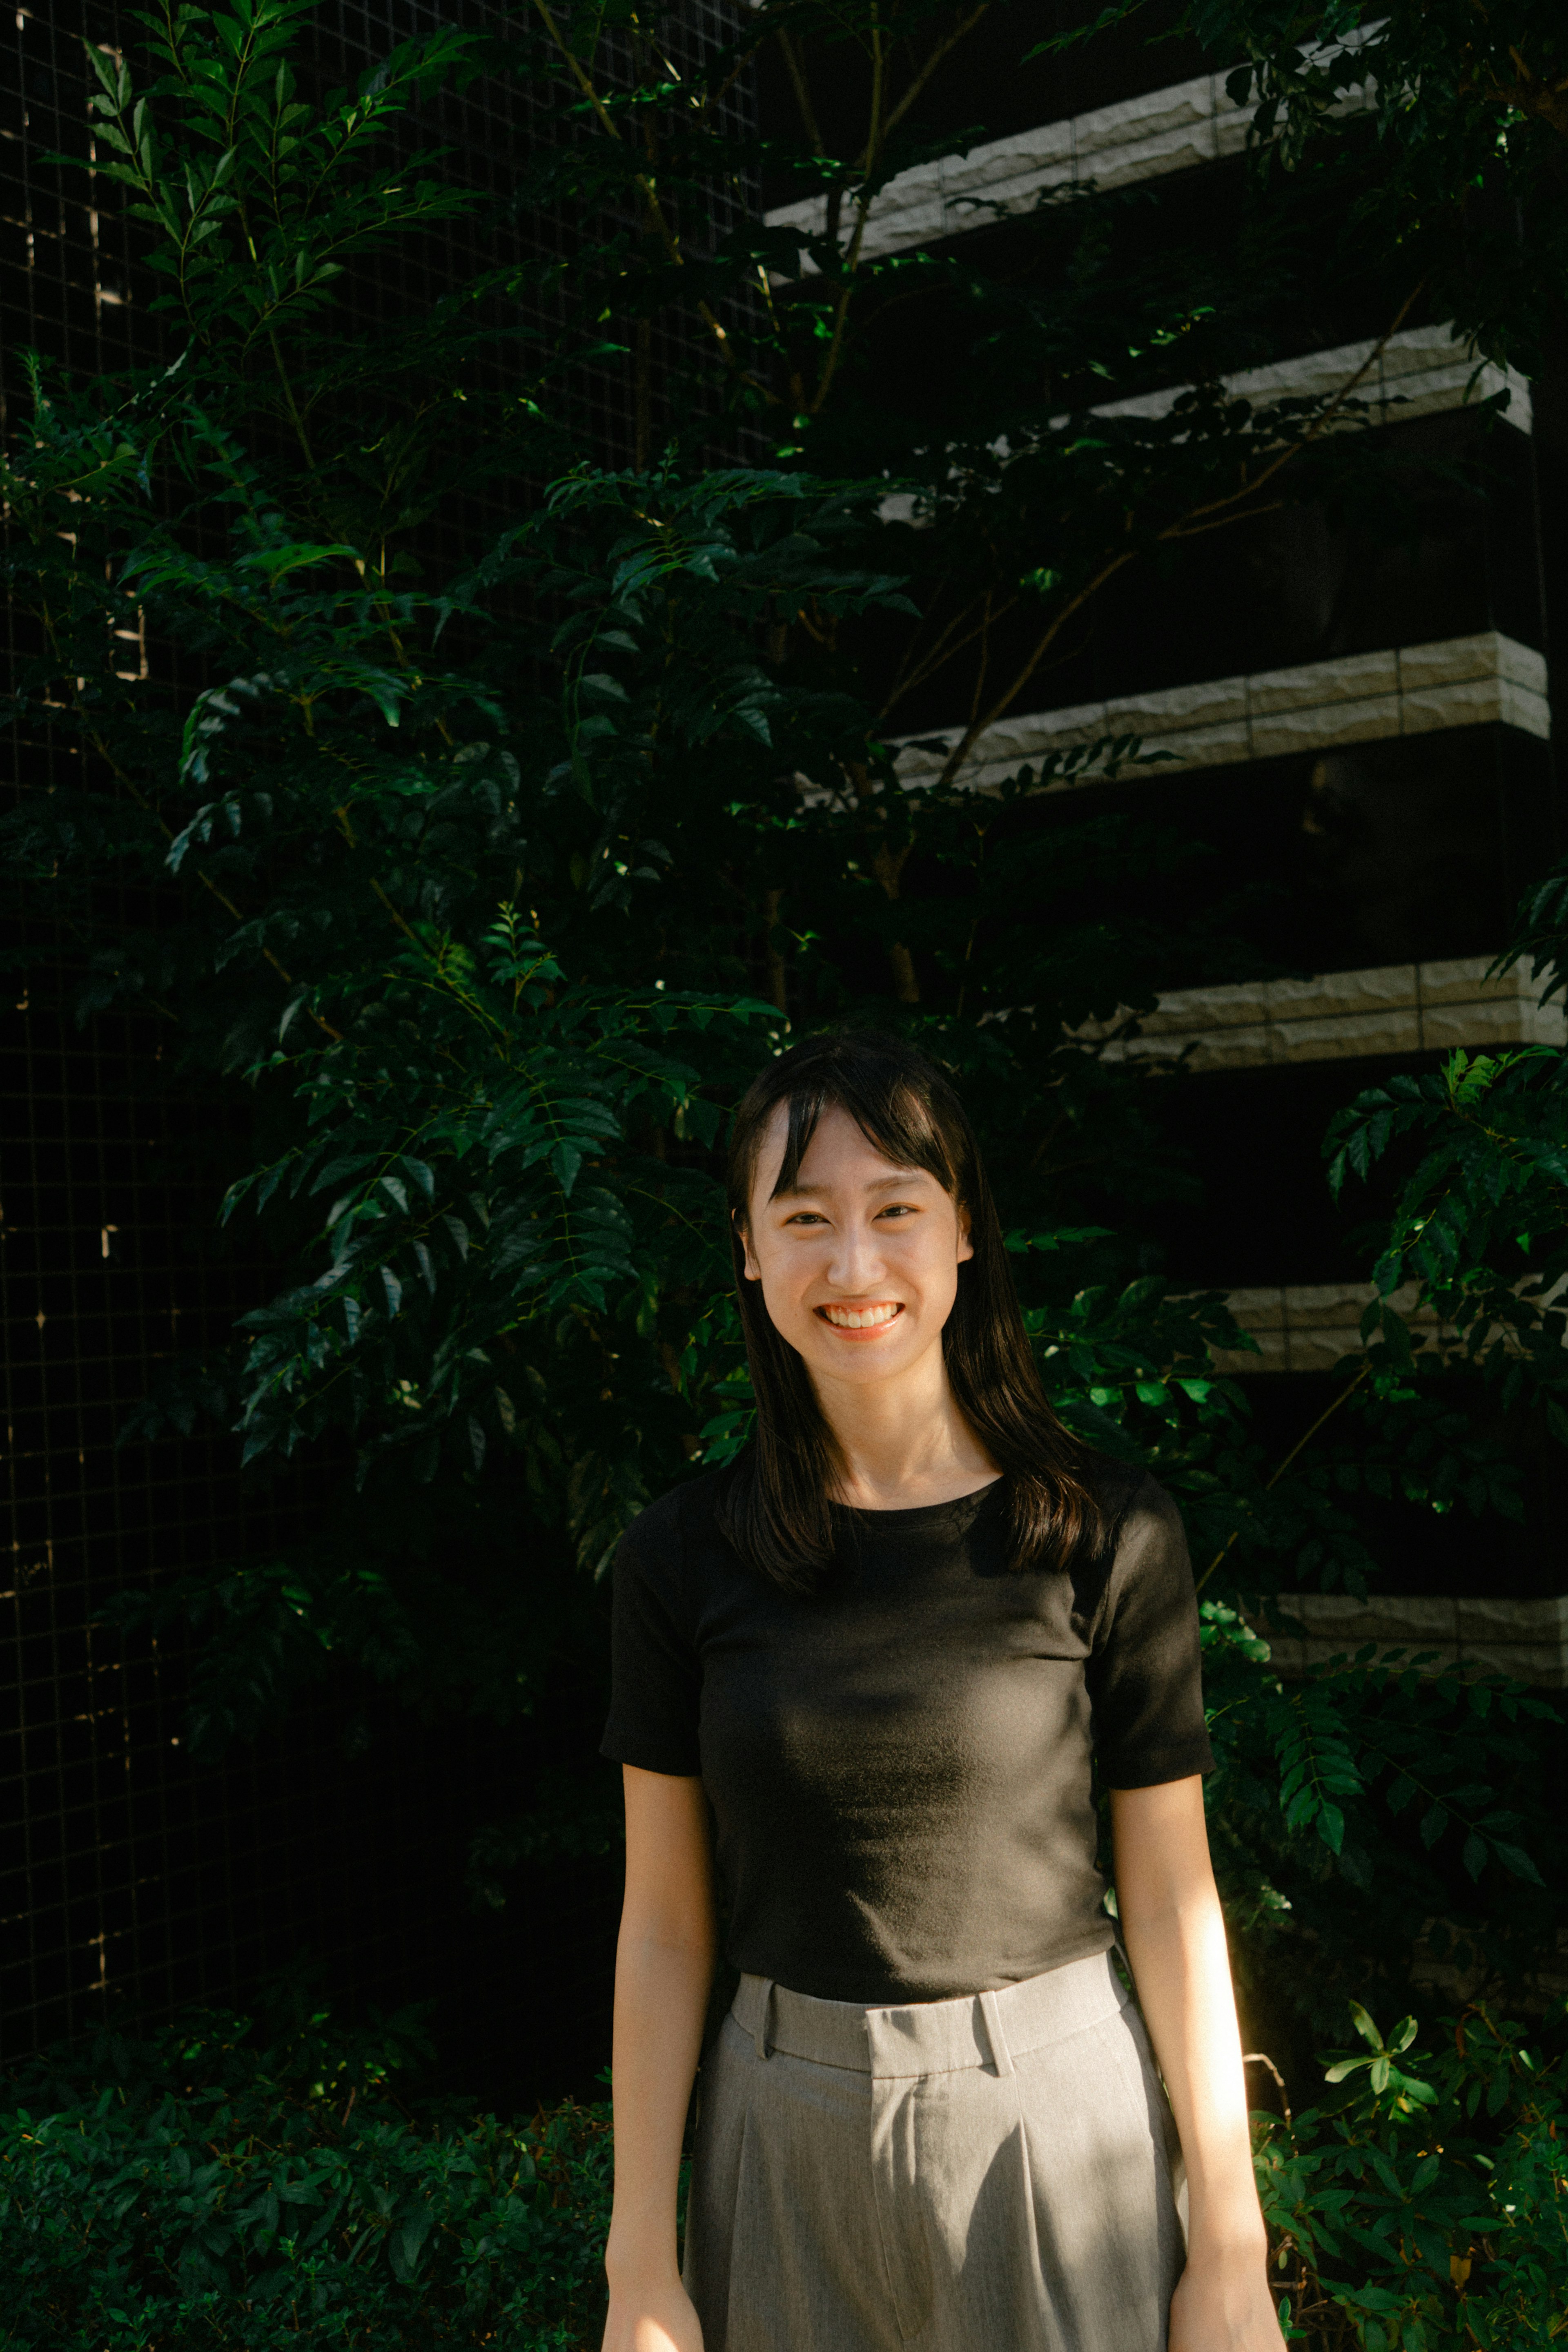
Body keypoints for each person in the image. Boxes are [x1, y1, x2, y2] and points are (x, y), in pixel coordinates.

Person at [599, 1030, 1286, 2352]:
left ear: (963, 1228)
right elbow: (667, 1928)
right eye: (803, 1219)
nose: (853, 1266)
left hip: (1055, 2125)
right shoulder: (678, 1558)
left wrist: (1231, 2246)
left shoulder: (1104, 1531)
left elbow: (1173, 1897)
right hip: (777, 2129)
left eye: (895, 1209)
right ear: (748, 1251)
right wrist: (642, 2266)